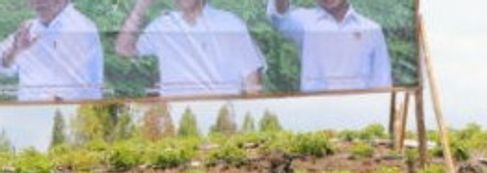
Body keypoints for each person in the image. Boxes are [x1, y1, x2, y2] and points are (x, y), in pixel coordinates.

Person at [116, 0, 265, 98]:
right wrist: (140, 8)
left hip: (222, 121)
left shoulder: (230, 24)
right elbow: (123, 49)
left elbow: (253, 83)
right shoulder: (163, 25)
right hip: (173, 123)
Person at [265, 0, 391, 93]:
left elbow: (382, 82)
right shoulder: (304, 22)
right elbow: (279, 16)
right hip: (316, 112)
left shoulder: (371, 28)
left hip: (361, 112)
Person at [0, 0, 102, 102]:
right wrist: (14, 51)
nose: (35, 2)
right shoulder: (29, 29)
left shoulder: (80, 28)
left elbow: (80, 91)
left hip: (60, 114)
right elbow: (3, 65)